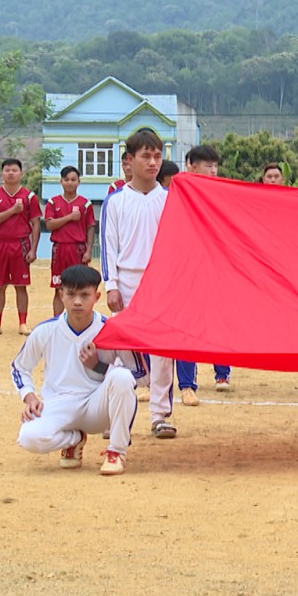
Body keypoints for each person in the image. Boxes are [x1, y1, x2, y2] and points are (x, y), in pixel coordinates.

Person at [12, 265, 138, 477]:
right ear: (61, 295)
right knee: (28, 437)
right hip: (59, 403)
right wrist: (29, 397)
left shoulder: (110, 330)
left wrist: (98, 366)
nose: (77, 301)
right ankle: (75, 439)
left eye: (84, 295)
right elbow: (19, 367)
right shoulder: (46, 330)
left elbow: (138, 375)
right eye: (71, 294)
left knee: (122, 376)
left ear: (96, 296)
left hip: (97, 407)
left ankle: (116, 452)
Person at [101, 128, 176, 439]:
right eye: (146, 156)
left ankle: (160, 415)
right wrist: (111, 285)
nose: (153, 162)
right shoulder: (115, 201)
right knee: (122, 352)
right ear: (130, 160)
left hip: (161, 285)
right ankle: (117, 417)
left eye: (157, 156)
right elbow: (108, 247)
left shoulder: (171, 201)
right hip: (127, 281)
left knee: (162, 351)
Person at [175, 144, 232, 402]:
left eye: (215, 165)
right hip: (186, 267)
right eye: (207, 165)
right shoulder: (179, 189)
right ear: (191, 164)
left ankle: (223, 373)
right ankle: (187, 383)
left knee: (219, 320)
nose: (212, 170)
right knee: (185, 325)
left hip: (216, 266)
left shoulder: (222, 192)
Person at [0, 158, 42, 336]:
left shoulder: (29, 197)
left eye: (14, 170)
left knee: (20, 285)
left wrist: (33, 249)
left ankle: (23, 322)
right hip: (0, 244)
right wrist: (12, 211)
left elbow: (36, 224)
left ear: (21, 173)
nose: (10, 173)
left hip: (21, 244)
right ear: (2, 173)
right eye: (7, 170)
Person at [45, 165, 95, 317]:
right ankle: (57, 320)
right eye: (66, 180)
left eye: (73, 180)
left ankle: (79, 318)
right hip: (60, 249)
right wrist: (69, 218)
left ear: (79, 182)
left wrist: (88, 250)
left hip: (78, 249)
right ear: (61, 181)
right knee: (59, 286)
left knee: (80, 286)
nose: (70, 183)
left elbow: (90, 227)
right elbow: (49, 224)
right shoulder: (53, 203)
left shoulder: (85, 204)